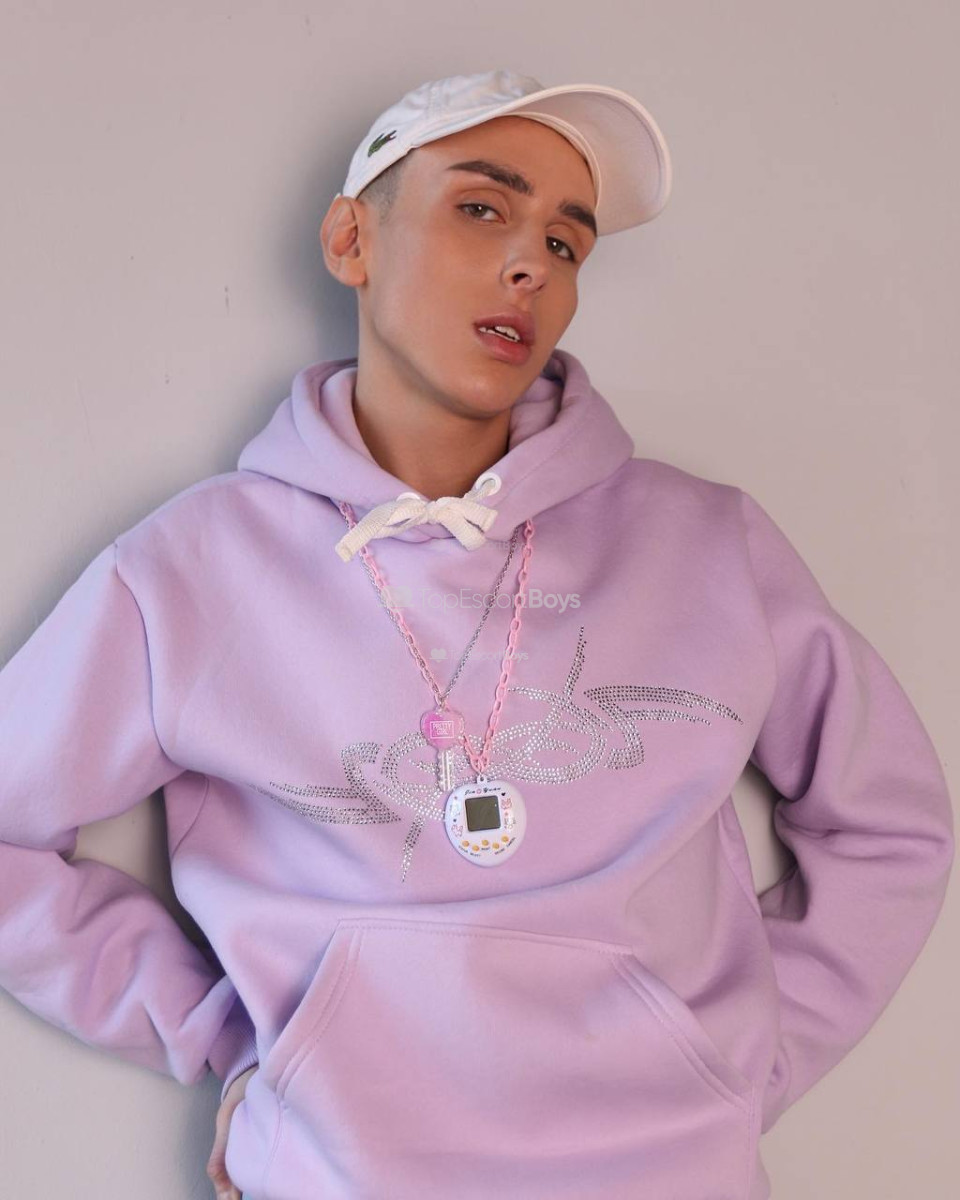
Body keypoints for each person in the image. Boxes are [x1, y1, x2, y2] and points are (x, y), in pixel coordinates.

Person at [0, 69, 953, 1200]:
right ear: (351, 239)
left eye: (564, 242)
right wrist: (231, 1036)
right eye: (481, 207)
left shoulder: (706, 544)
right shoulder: (191, 569)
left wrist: (745, 1059)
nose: (529, 266)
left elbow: (891, 822)